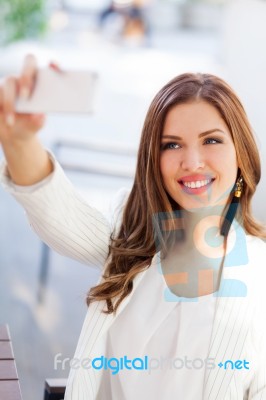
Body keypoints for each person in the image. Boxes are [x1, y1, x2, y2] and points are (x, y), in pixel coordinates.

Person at [0, 54, 265, 400]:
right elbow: (58, 213)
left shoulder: (258, 272)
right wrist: (19, 140)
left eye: (211, 140)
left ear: (241, 154)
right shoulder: (133, 233)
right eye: (172, 144)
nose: (192, 162)